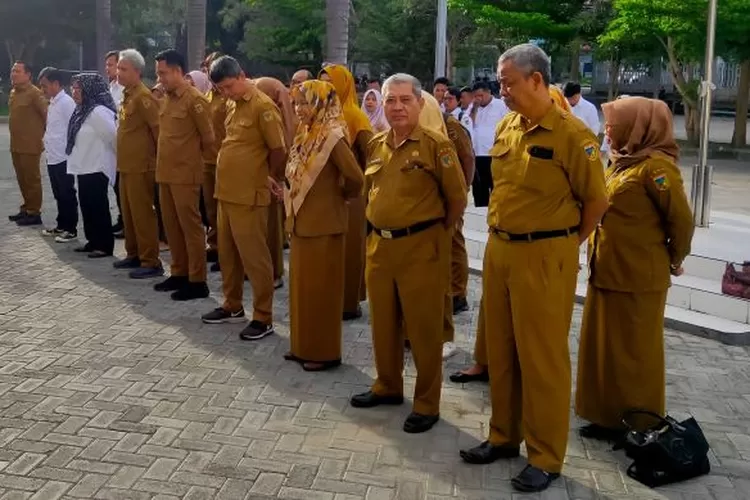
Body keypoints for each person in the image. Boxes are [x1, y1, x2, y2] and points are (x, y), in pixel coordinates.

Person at [458, 44, 608, 493]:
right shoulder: (508, 125)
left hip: (544, 255)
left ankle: (545, 456)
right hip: (500, 251)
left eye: (508, 81)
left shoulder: (571, 134)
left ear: (537, 80)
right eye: (501, 82)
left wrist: (562, 243)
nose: (501, 90)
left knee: (542, 360)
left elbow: (596, 201)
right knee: (500, 352)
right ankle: (503, 437)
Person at [349, 73, 467, 435]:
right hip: (380, 247)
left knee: (423, 328)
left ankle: (426, 402)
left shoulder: (436, 146)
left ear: (420, 103)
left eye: (405, 100)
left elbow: (457, 199)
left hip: (421, 249)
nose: (397, 107)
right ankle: (387, 385)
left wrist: (431, 235)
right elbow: (371, 191)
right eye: (390, 100)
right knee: (383, 322)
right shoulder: (378, 144)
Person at [575, 97, 694, 440]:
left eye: (614, 125)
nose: (607, 131)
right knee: (604, 350)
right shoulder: (621, 162)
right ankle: (608, 417)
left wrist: (675, 258)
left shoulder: (656, 169)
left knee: (635, 355)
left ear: (638, 126)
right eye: (608, 125)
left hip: (639, 276)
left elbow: (681, 222)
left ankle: (641, 422)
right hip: (607, 270)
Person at [201, 56, 287, 341]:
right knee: (228, 253)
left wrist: (273, 176)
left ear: (241, 76)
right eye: (221, 89)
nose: (225, 93)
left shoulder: (263, 107)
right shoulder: (232, 104)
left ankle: (263, 317)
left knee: (255, 257)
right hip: (227, 192)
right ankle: (232, 304)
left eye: (228, 87)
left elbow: (278, 148)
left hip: (249, 195)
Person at [284, 80, 364, 371]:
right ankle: (301, 346)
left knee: (322, 292)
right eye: (296, 103)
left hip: (325, 225)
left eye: (305, 102)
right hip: (302, 222)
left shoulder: (332, 136)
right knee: (302, 290)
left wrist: (340, 197)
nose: (299, 109)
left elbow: (355, 177)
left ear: (322, 103)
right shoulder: (306, 133)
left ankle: (324, 352)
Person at [152, 49, 214, 301]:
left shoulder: (195, 100)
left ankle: (197, 281)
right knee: (171, 227)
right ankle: (179, 272)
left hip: (186, 175)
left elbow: (209, 140)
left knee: (191, 228)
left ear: (178, 71)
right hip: (165, 173)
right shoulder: (166, 98)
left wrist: (199, 167)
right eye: (158, 73)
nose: (160, 78)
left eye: (163, 73)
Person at [319, 64, 373, 320]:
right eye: (322, 83)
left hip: (352, 195)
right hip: (329, 195)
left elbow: (372, 158)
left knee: (350, 251)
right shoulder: (321, 114)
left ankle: (349, 304)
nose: (325, 88)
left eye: (331, 83)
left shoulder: (355, 117)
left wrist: (359, 188)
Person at [111, 49, 164, 279]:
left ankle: (150, 260)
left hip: (142, 166)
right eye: (118, 68)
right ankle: (133, 253)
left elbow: (157, 130)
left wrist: (156, 161)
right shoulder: (128, 95)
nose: (118, 73)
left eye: (123, 69)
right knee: (129, 212)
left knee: (143, 213)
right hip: (126, 165)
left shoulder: (143, 96)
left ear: (136, 71)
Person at [253, 75, 298, 289]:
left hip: (272, 175)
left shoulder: (275, 114)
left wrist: (273, 173)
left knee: (272, 227)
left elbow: (280, 148)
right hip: (257, 175)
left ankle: (275, 271)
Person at [66, 73, 118, 259]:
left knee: (98, 206)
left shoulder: (97, 112)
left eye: (79, 88)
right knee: (87, 206)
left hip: (97, 166)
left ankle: (104, 245)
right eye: (74, 88)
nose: (75, 92)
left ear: (90, 90)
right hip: (84, 166)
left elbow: (114, 138)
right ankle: (93, 241)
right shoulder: (82, 110)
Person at [38, 67, 78, 242]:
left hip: (63, 157)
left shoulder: (66, 103)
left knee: (67, 193)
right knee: (58, 193)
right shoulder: (53, 102)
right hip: (52, 156)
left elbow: (74, 127)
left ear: (56, 83)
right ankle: (61, 225)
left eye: (45, 85)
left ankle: (70, 229)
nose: (42, 89)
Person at [8, 61, 47, 226]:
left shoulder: (35, 94)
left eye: (17, 71)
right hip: (16, 144)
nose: (13, 74)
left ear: (28, 75)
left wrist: (44, 137)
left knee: (32, 179)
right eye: (12, 71)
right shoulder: (14, 93)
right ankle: (26, 207)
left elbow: (47, 116)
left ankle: (34, 212)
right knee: (22, 178)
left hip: (30, 145)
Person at [200, 52, 227, 272]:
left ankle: (226, 250)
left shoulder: (229, 96)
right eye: (207, 67)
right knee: (210, 207)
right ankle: (215, 244)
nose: (208, 71)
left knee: (222, 208)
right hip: (207, 159)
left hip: (224, 160)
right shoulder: (208, 96)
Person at [470, 80, 508, 208]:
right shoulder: (473, 107)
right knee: (479, 189)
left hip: (494, 154)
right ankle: (481, 210)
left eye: (480, 95)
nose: (478, 98)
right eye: (475, 96)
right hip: (476, 153)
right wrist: (474, 108)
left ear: (488, 92)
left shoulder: (501, 106)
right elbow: (469, 124)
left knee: (495, 187)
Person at [105, 50, 126, 239]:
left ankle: (127, 223)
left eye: (111, 65)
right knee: (117, 187)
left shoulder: (125, 90)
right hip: (112, 147)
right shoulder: (111, 88)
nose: (108, 69)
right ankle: (122, 219)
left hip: (124, 147)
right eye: (108, 65)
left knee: (123, 188)